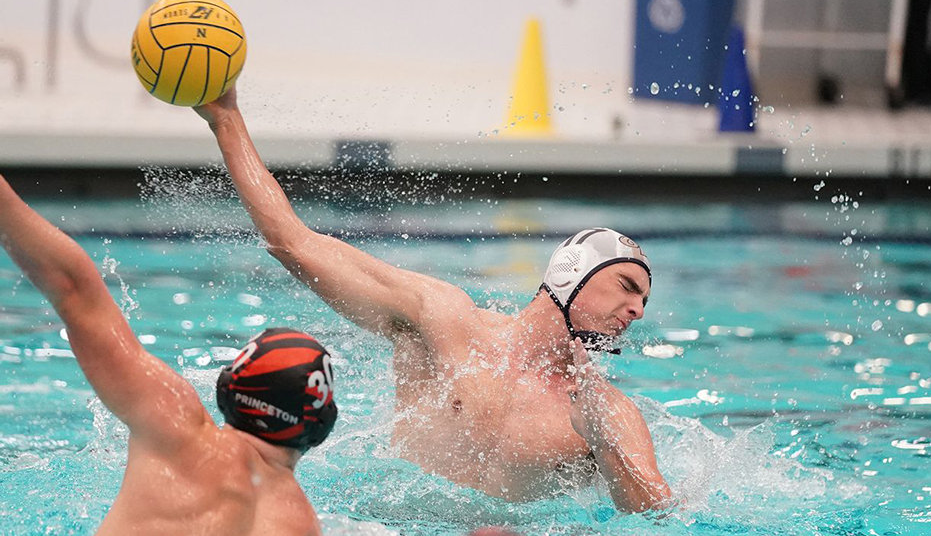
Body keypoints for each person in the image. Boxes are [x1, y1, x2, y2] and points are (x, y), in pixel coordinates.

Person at [194, 88, 673, 513]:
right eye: (628, 286)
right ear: (571, 273)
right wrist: (226, 117)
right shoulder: (445, 320)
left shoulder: (606, 409)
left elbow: (659, 514)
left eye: (645, 300)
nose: (638, 310)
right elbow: (293, 243)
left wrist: (605, 447)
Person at [0, 174, 338, 535]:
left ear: (229, 388)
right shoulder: (302, 524)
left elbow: (74, 288)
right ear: (319, 425)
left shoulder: (178, 428)